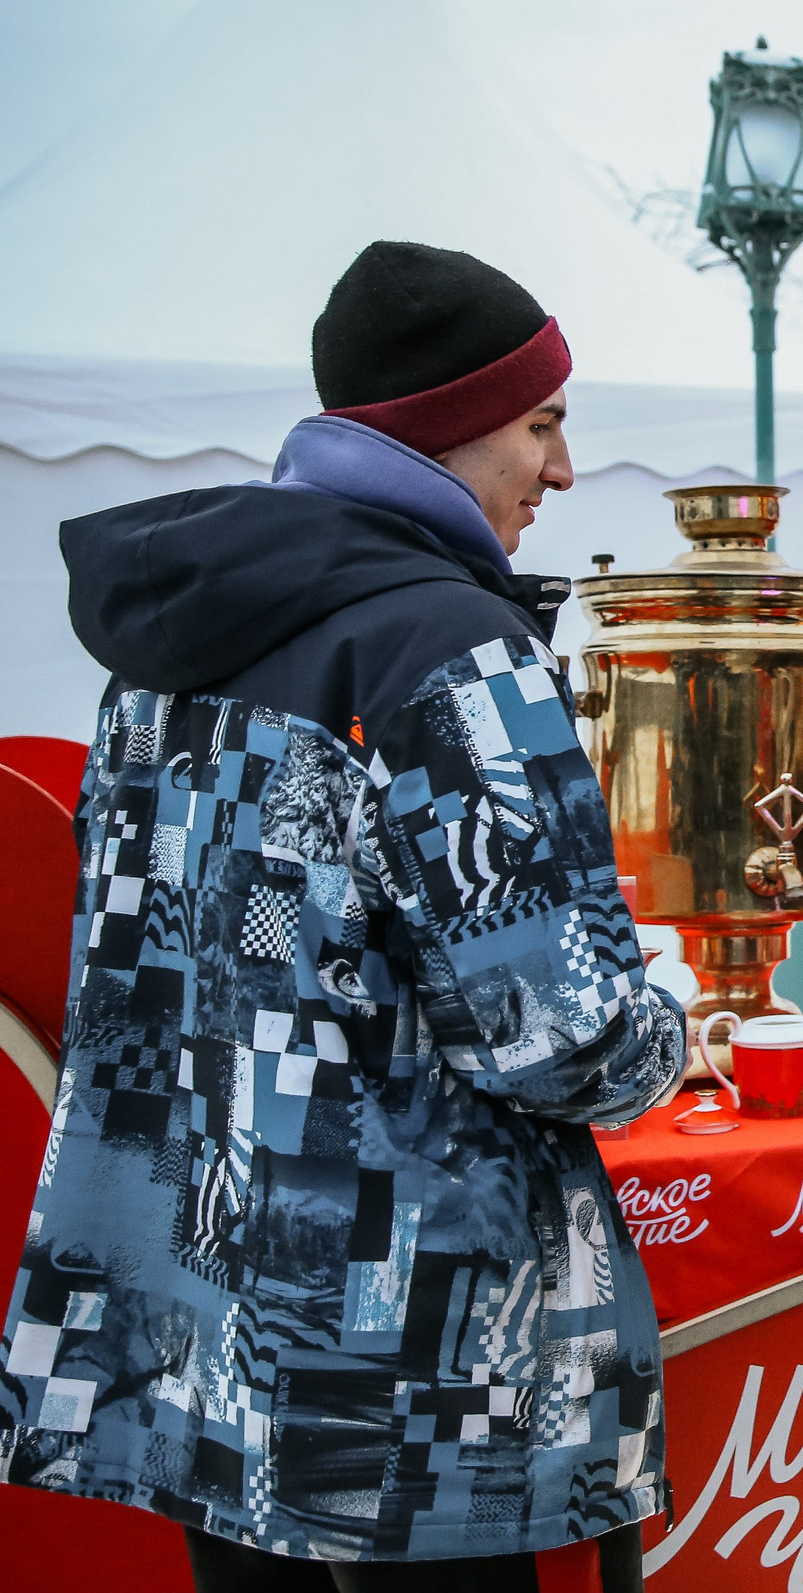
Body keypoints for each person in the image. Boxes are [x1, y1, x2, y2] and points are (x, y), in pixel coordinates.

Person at [2, 242, 687, 1591]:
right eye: (541, 424)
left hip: (202, 1322)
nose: (559, 469)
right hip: (412, 1363)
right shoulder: (447, 642)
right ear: (440, 438)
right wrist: (667, 1030)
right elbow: (556, 1029)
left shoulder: (157, 656)